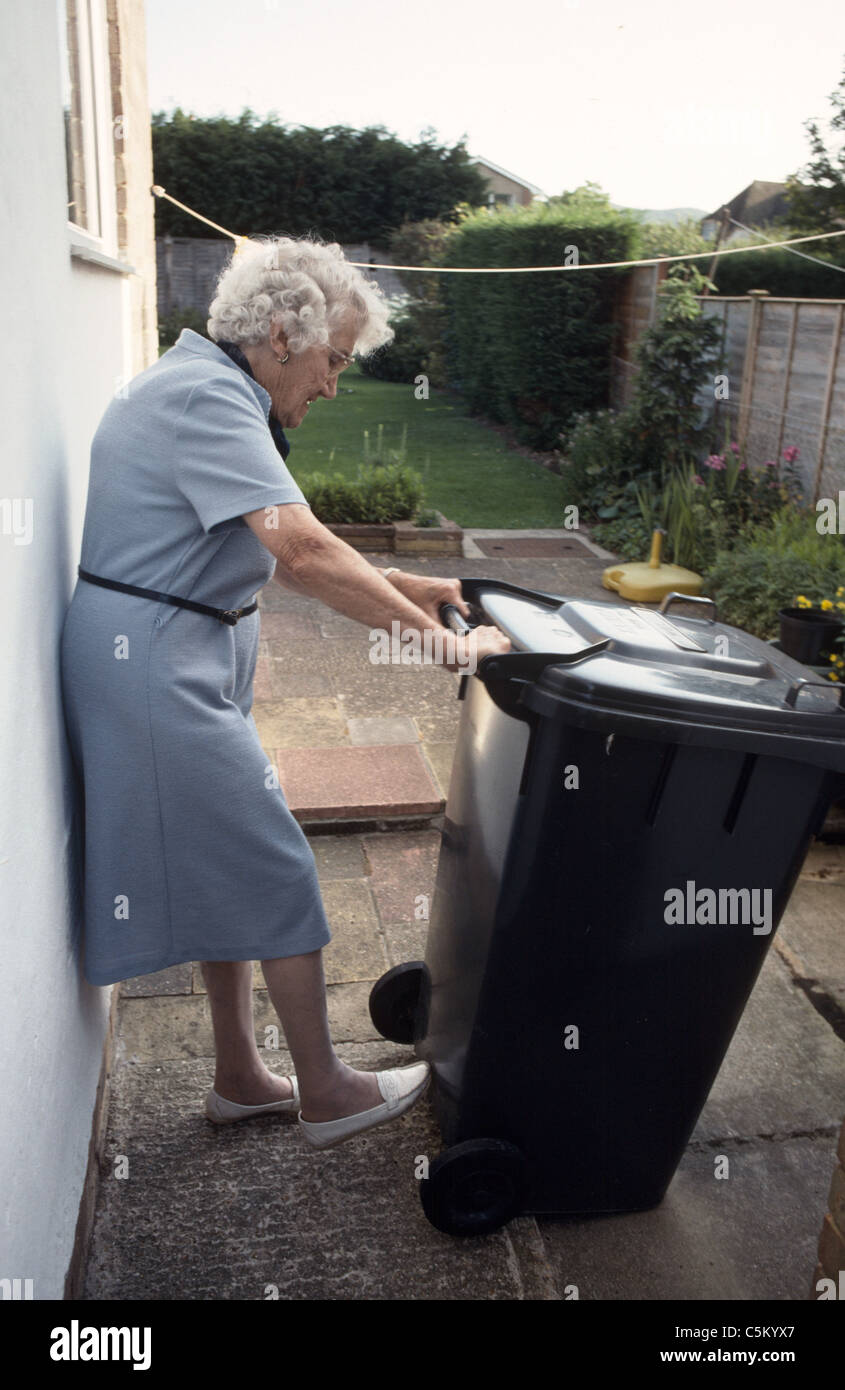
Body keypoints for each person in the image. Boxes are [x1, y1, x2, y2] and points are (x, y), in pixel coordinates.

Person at [60, 235, 512, 1150]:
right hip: (153, 665)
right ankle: (326, 1091)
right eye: (334, 360)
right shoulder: (205, 398)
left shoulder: (214, 388)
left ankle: (240, 1078)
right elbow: (300, 553)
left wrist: (401, 584)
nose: (336, 383)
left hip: (175, 652)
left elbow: (283, 536)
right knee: (271, 863)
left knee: (220, 865)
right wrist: (440, 646)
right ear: (279, 334)